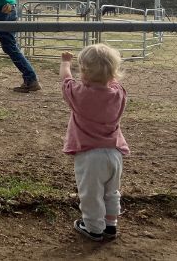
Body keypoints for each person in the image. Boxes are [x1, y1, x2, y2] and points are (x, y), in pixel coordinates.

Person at [60, 44, 129, 241]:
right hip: (114, 153)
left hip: (90, 155)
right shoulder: (118, 94)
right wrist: (106, 70)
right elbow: (113, 82)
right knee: (111, 191)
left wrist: (66, 62)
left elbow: (66, 79)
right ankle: (110, 225)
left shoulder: (79, 95)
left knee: (91, 194)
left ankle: (93, 228)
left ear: (83, 71)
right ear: (113, 72)